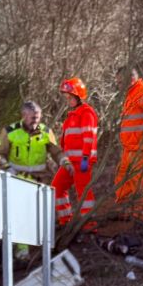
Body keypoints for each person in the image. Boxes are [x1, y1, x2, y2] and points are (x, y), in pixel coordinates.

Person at [113, 65, 143, 218]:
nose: (118, 85)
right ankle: (124, 210)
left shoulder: (142, 91)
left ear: (130, 79)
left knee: (138, 180)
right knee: (122, 177)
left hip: (140, 147)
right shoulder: (131, 94)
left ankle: (141, 216)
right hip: (130, 147)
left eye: (120, 82)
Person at [53, 76, 99, 228]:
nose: (68, 100)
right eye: (66, 97)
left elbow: (89, 137)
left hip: (82, 161)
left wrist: (86, 157)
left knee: (84, 194)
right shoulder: (71, 115)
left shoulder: (87, 113)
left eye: (70, 97)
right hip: (70, 161)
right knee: (57, 188)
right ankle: (65, 220)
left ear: (78, 95)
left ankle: (89, 225)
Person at [4, 101, 58, 178]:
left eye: (38, 118)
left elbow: (57, 152)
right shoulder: (9, 132)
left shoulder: (47, 132)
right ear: (24, 116)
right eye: (33, 118)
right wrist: (7, 168)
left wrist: (64, 161)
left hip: (40, 179)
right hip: (15, 177)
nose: (36, 121)